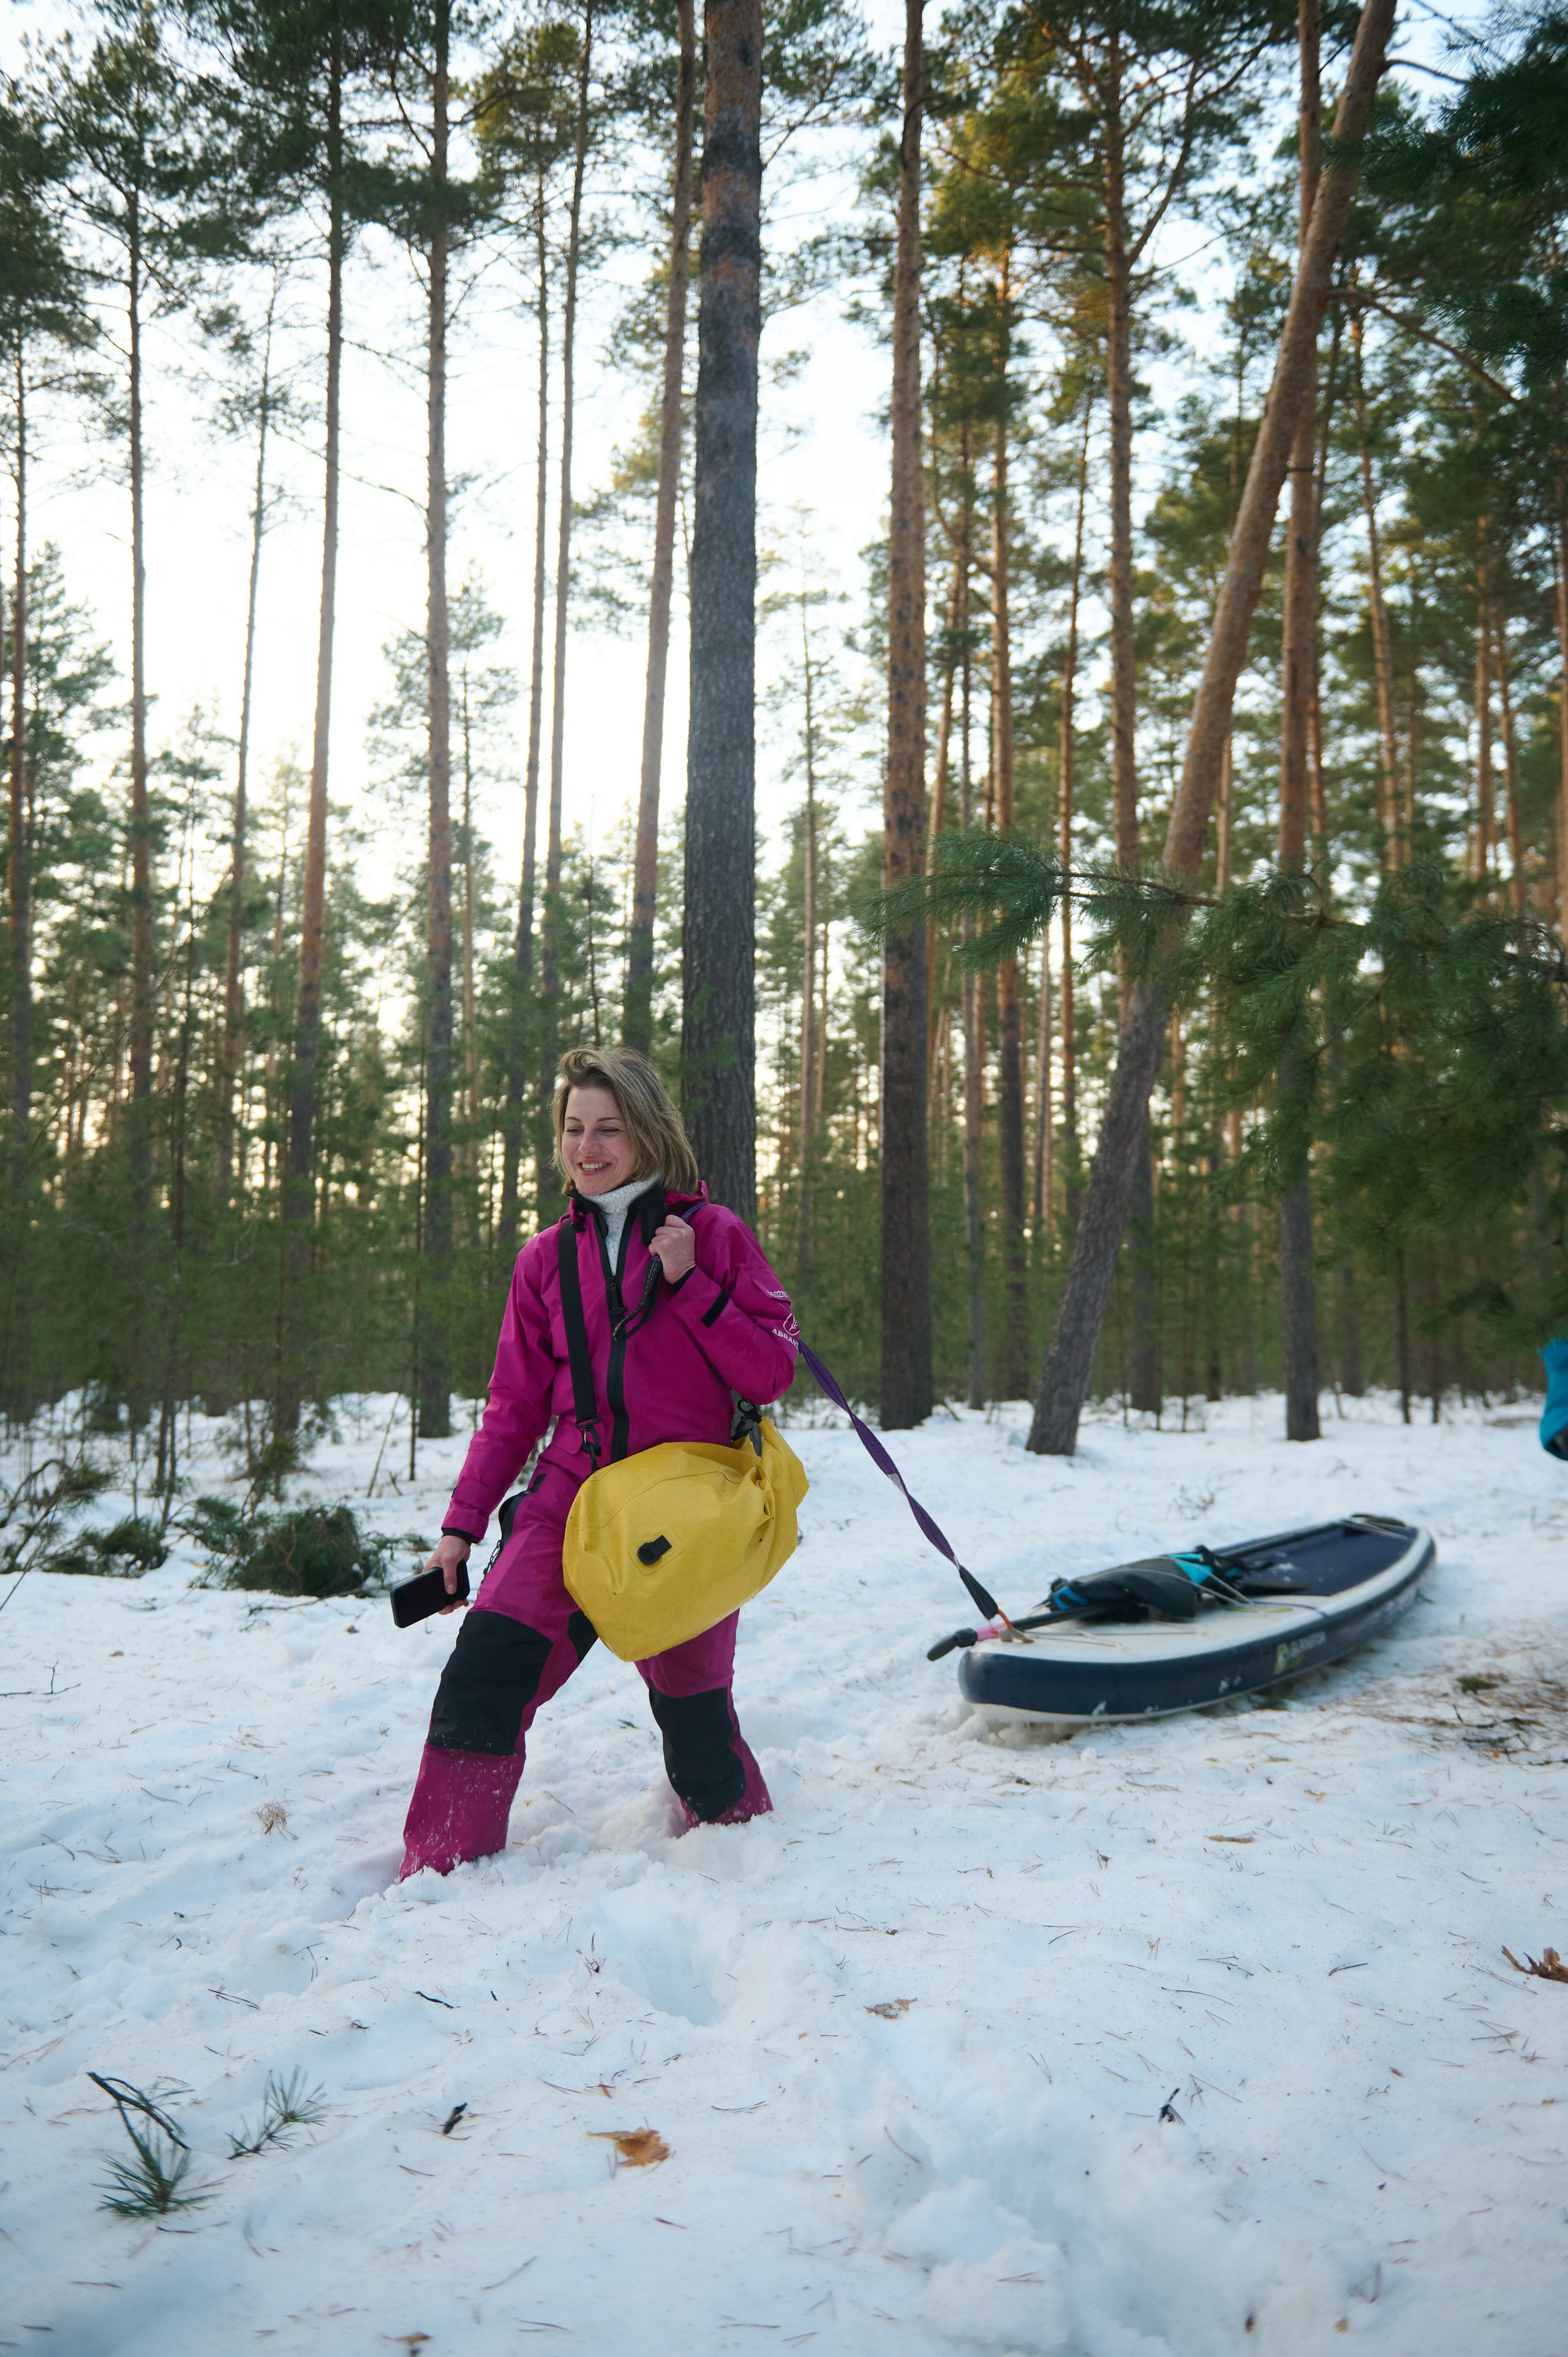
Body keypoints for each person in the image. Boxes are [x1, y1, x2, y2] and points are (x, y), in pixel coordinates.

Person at [399, 1046, 799, 1879]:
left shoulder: (714, 1236)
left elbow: (771, 1372)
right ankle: (439, 1873)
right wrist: (460, 1530)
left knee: (698, 1731)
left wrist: (690, 1283)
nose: (588, 1148)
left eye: (609, 1129)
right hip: (572, 1502)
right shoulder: (543, 1260)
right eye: (574, 1129)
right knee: (485, 1673)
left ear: (647, 1132)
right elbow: (512, 1406)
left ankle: (739, 1850)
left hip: (684, 1512)